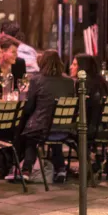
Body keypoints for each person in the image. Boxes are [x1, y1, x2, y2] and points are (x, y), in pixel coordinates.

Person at [20, 50, 75, 183]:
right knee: (53, 133)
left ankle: (26, 170)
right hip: (64, 128)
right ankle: (61, 169)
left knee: (31, 137)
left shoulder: (36, 80)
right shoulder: (69, 82)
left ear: (42, 63)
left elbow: (29, 107)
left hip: (42, 128)